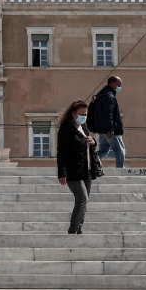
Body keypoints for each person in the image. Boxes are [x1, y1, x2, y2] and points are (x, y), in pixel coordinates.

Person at [56, 99, 101, 234]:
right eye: (82, 114)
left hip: (87, 169)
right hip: (72, 170)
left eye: (86, 114)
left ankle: (79, 228)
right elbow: (61, 152)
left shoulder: (84, 127)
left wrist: (93, 142)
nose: (84, 116)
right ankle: (73, 230)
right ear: (74, 113)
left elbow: (90, 145)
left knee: (84, 202)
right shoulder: (66, 128)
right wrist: (62, 173)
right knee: (82, 199)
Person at [89, 76, 125, 168]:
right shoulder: (109, 96)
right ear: (112, 84)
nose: (119, 88)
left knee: (103, 150)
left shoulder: (101, 95)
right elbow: (108, 113)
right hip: (110, 130)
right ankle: (121, 170)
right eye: (119, 85)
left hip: (101, 129)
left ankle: (89, 163)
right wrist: (110, 129)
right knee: (120, 150)